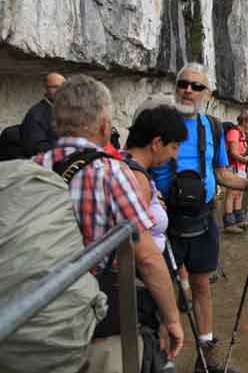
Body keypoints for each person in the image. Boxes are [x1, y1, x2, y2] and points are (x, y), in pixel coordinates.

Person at [33, 74, 183, 372]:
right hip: (98, 313)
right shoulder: (110, 173)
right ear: (104, 125)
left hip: (43, 314)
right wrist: (172, 318)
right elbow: (147, 257)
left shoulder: (35, 166)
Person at [151, 62, 248, 373]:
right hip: (166, 221)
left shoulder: (212, 127)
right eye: (183, 83)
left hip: (203, 217)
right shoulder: (156, 121)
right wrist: (149, 195)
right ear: (176, 86)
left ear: (207, 94)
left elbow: (222, 173)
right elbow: (137, 164)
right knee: (160, 292)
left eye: (196, 86)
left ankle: (205, 357)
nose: (188, 90)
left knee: (202, 285)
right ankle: (160, 361)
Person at [124, 103, 189, 252]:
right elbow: (143, 253)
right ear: (157, 143)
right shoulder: (138, 179)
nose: (175, 156)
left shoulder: (123, 163)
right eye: (174, 147)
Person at [223, 110, 248, 234]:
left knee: (239, 194)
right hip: (233, 167)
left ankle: (239, 221)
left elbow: (240, 152)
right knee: (231, 194)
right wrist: (247, 161)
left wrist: (246, 160)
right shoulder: (234, 132)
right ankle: (229, 223)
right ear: (244, 121)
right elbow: (233, 153)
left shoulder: (242, 134)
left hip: (241, 167)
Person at [21, 72, 64, 156]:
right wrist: (64, 151)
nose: (60, 90)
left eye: (63, 87)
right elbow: (34, 148)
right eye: (55, 87)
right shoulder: (35, 114)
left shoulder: (70, 110)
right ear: (45, 89)